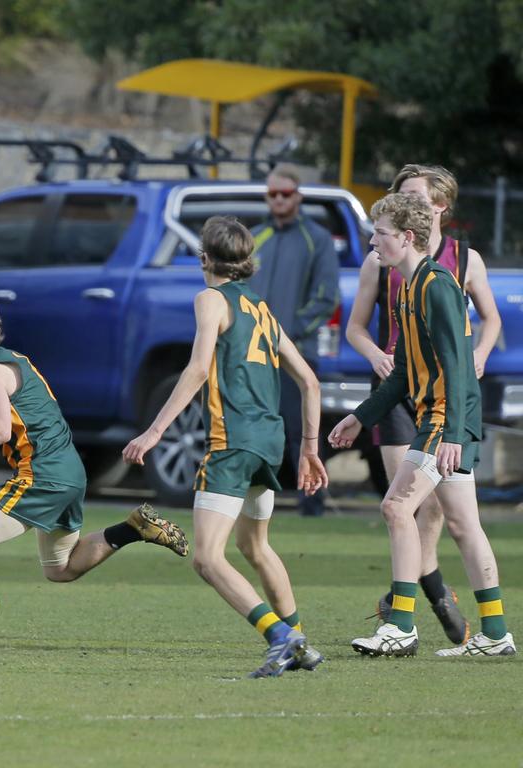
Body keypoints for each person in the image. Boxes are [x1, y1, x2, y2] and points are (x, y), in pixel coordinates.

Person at [0, 284, 189, 663]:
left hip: (43, 475)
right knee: (62, 569)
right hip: (70, 472)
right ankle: (133, 528)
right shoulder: (12, 359)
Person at [124, 216, 327, 678]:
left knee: (207, 557)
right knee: (255, 546)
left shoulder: (210, 298)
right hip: (269, 440)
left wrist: (154, 432)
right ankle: (301, 643)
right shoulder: (261, 307)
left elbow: (197, 369)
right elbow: (310, 382)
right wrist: (309, 447)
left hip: (231, 441)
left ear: (204, 259)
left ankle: (280, 637)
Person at [330, 192, 515, 658]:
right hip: (439, 415)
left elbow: (457, 365)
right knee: (464, 524)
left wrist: (452, 432)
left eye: (382, 234)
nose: (374, 241)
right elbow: (404, 374)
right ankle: (495, 636)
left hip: (445, 416)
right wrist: (360, 416)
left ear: (407, 238)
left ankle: (402, 627)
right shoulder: (407, 286)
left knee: (396, 508)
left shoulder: (437, 285)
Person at [249, 164, 339, 516]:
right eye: (272, 194)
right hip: (254, 354)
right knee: (255, 427)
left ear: (298, 196)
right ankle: (253, 500)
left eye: (285, 194)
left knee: (301, 431)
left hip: (296, 352)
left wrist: (288, 332)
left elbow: (326, 297)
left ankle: (312, 502)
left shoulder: (315, 239)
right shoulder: (255, 236)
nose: (278, 200)